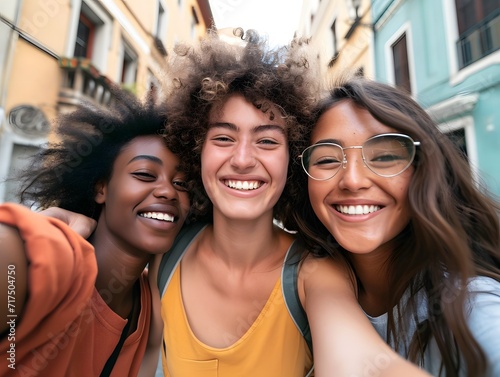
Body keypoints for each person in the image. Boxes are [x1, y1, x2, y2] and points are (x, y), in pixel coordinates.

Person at [150, 28, 431, 377]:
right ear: (197, 149)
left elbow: (359, 361)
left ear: (293, 157)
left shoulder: (315, 274)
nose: (241, 159)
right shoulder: (164, 253)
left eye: (266, 141)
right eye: (223, 137)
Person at [294, 74, 500, 377]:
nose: (352, 180)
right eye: (327, 160)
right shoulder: (297, 278)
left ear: (423, 169)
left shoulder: (471, 302)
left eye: (385, 157)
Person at [0, 87, 191, 376]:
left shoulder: (154, 305)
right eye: (144, 174)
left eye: (182, 184)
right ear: (101, 188)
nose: (167, 191)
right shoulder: (52, 253)